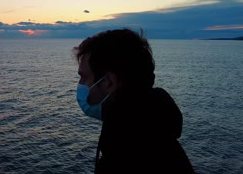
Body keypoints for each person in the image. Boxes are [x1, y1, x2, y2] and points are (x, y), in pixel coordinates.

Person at [74, 28, 194, 173]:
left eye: (84, 77)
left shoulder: (125, 155)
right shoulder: (155, 128)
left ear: (109, 82)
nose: (80, 84)